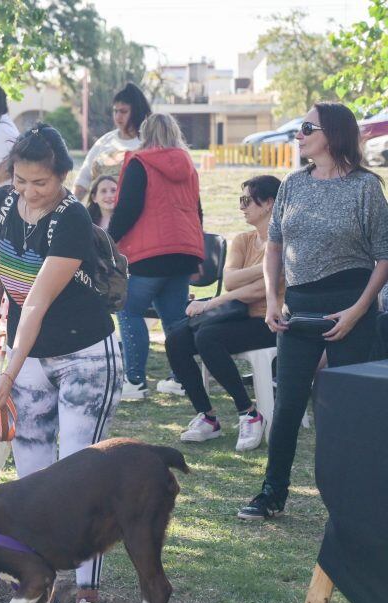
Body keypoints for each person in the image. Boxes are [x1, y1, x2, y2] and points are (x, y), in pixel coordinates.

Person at [0, 124, 122, 603]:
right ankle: (36, 589)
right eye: (20, 179)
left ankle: (85, 594)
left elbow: (36, 301)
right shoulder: (0, 205)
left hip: (85, 356)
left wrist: (7, 369)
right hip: (27, 356)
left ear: (62, 177)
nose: (28, 191)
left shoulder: (72, 219)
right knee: (34, 477)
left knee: (81, 471)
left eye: (40, 182)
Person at [238, 103, 388, 521]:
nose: (298, 135)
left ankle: (354, 498)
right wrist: (271, 302)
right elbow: (274, 247)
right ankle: (272, 494)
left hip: (350, 308)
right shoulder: (293, 184)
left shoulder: (365, 188)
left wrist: (358, 311)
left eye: (306, 127)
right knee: (286, 406)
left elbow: (384, 257)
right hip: (297, 310)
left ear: (333, 134)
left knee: (347, 406)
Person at [165, 175, 284, 451]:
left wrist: (210, 304)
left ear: (268, 203)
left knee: (208, 337)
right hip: (237, 316)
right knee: (176, 338)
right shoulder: (243, 240)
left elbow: (260, 292)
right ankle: (207, 417)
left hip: (268, 321)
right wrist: (268, 265)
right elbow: (231, 280)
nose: (241, 207)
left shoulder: (286, 243)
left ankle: (248, 412)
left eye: (246, 200)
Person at [109, 113, 204, 400]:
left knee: (129, 310)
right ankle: (180, 378)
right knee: (175, 319)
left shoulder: (140, 163)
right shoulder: (189, 166)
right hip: (183, 251)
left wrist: (108, 240)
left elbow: (128, 208)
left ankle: (135, 381)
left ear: (145, 134)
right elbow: (197, 210)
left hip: (149, 253)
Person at [73, 83, 152, 200]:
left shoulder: (150, 144)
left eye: (123, 111)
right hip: (99, 217)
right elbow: (83, 181)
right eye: (115, 111)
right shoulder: (104, 142)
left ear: (137, 112)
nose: (118, 116)